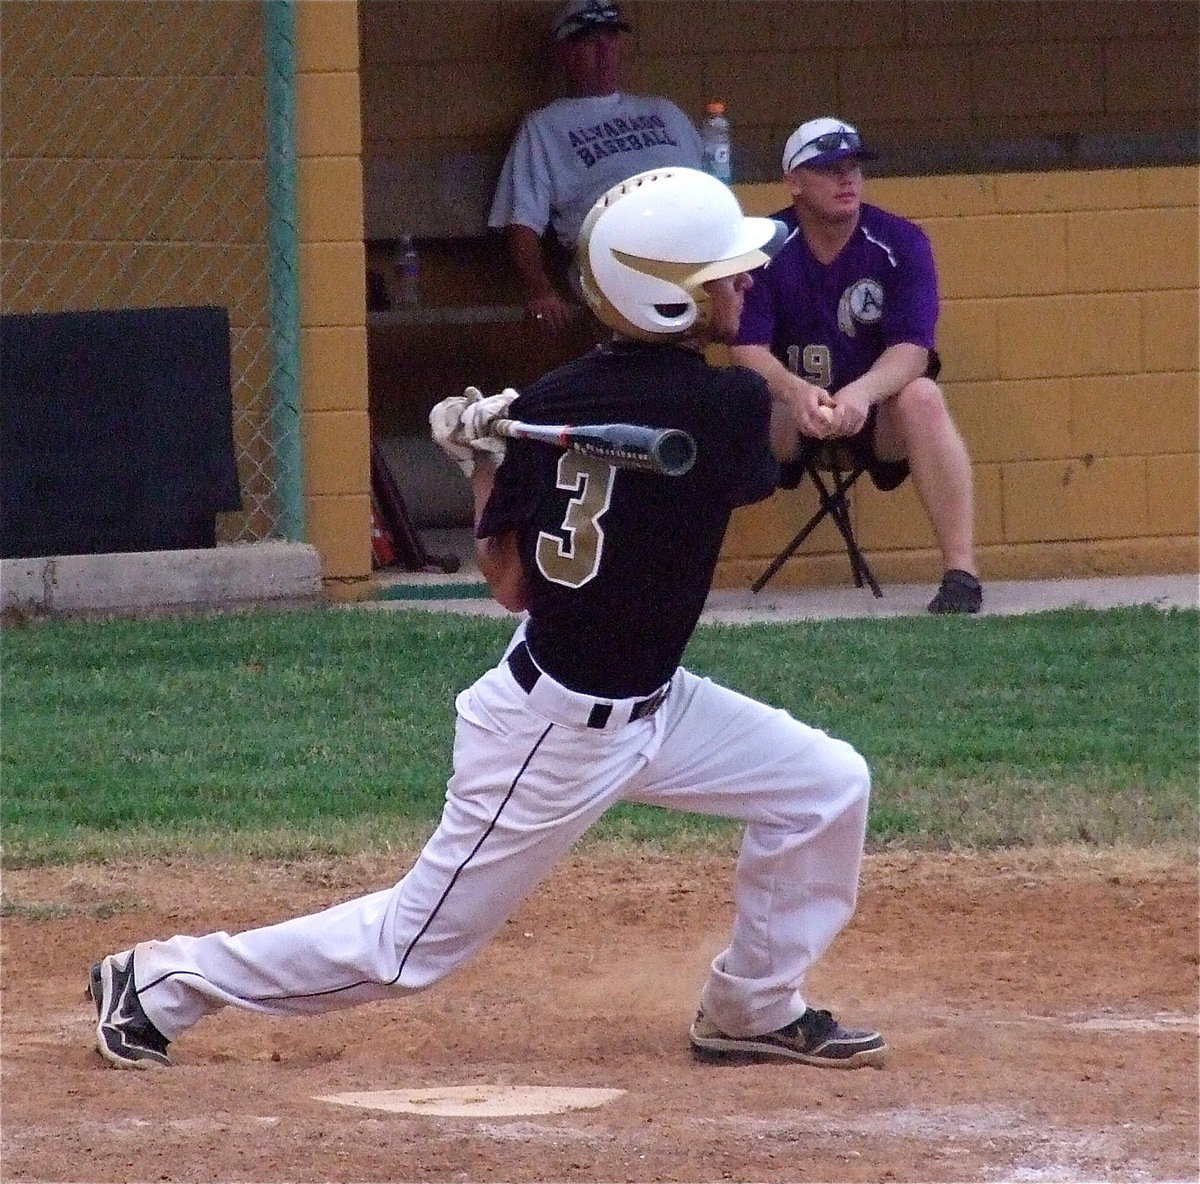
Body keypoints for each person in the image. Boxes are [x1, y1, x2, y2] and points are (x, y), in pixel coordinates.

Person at [87, 167, 886, 1074]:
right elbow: (552, 565)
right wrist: (504, 451)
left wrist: (482, 458)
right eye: (726, 274)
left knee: (825, 786)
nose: (748, 283)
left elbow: (506, 580)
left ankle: (750, 1008)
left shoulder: (554, 406)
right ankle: (159, 983)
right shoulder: (715, 403)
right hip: (555, 734)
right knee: (406, 949)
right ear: (667, 297)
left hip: (655, 704)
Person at [730, 116, 983, 614]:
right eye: (828, 169)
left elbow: (913, 349)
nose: (847, 180)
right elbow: (746, 347)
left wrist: (861, 394)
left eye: (854, 168)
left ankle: (962, 573)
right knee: (729, 397)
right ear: (794, 181)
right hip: (793, 415)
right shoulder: (762, 250)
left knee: (924, 395)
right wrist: (794, 390)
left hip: (877, 415)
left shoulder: (902, 242)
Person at [487, 0, 702, 337]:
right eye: (590, 42)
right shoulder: (545, 127)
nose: (605, 52)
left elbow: (718, 186)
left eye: (612, 40)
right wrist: (541, 290)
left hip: (694, 258)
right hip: (616, 269)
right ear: (564, 54)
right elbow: (522, 224)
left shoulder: (666, 112)